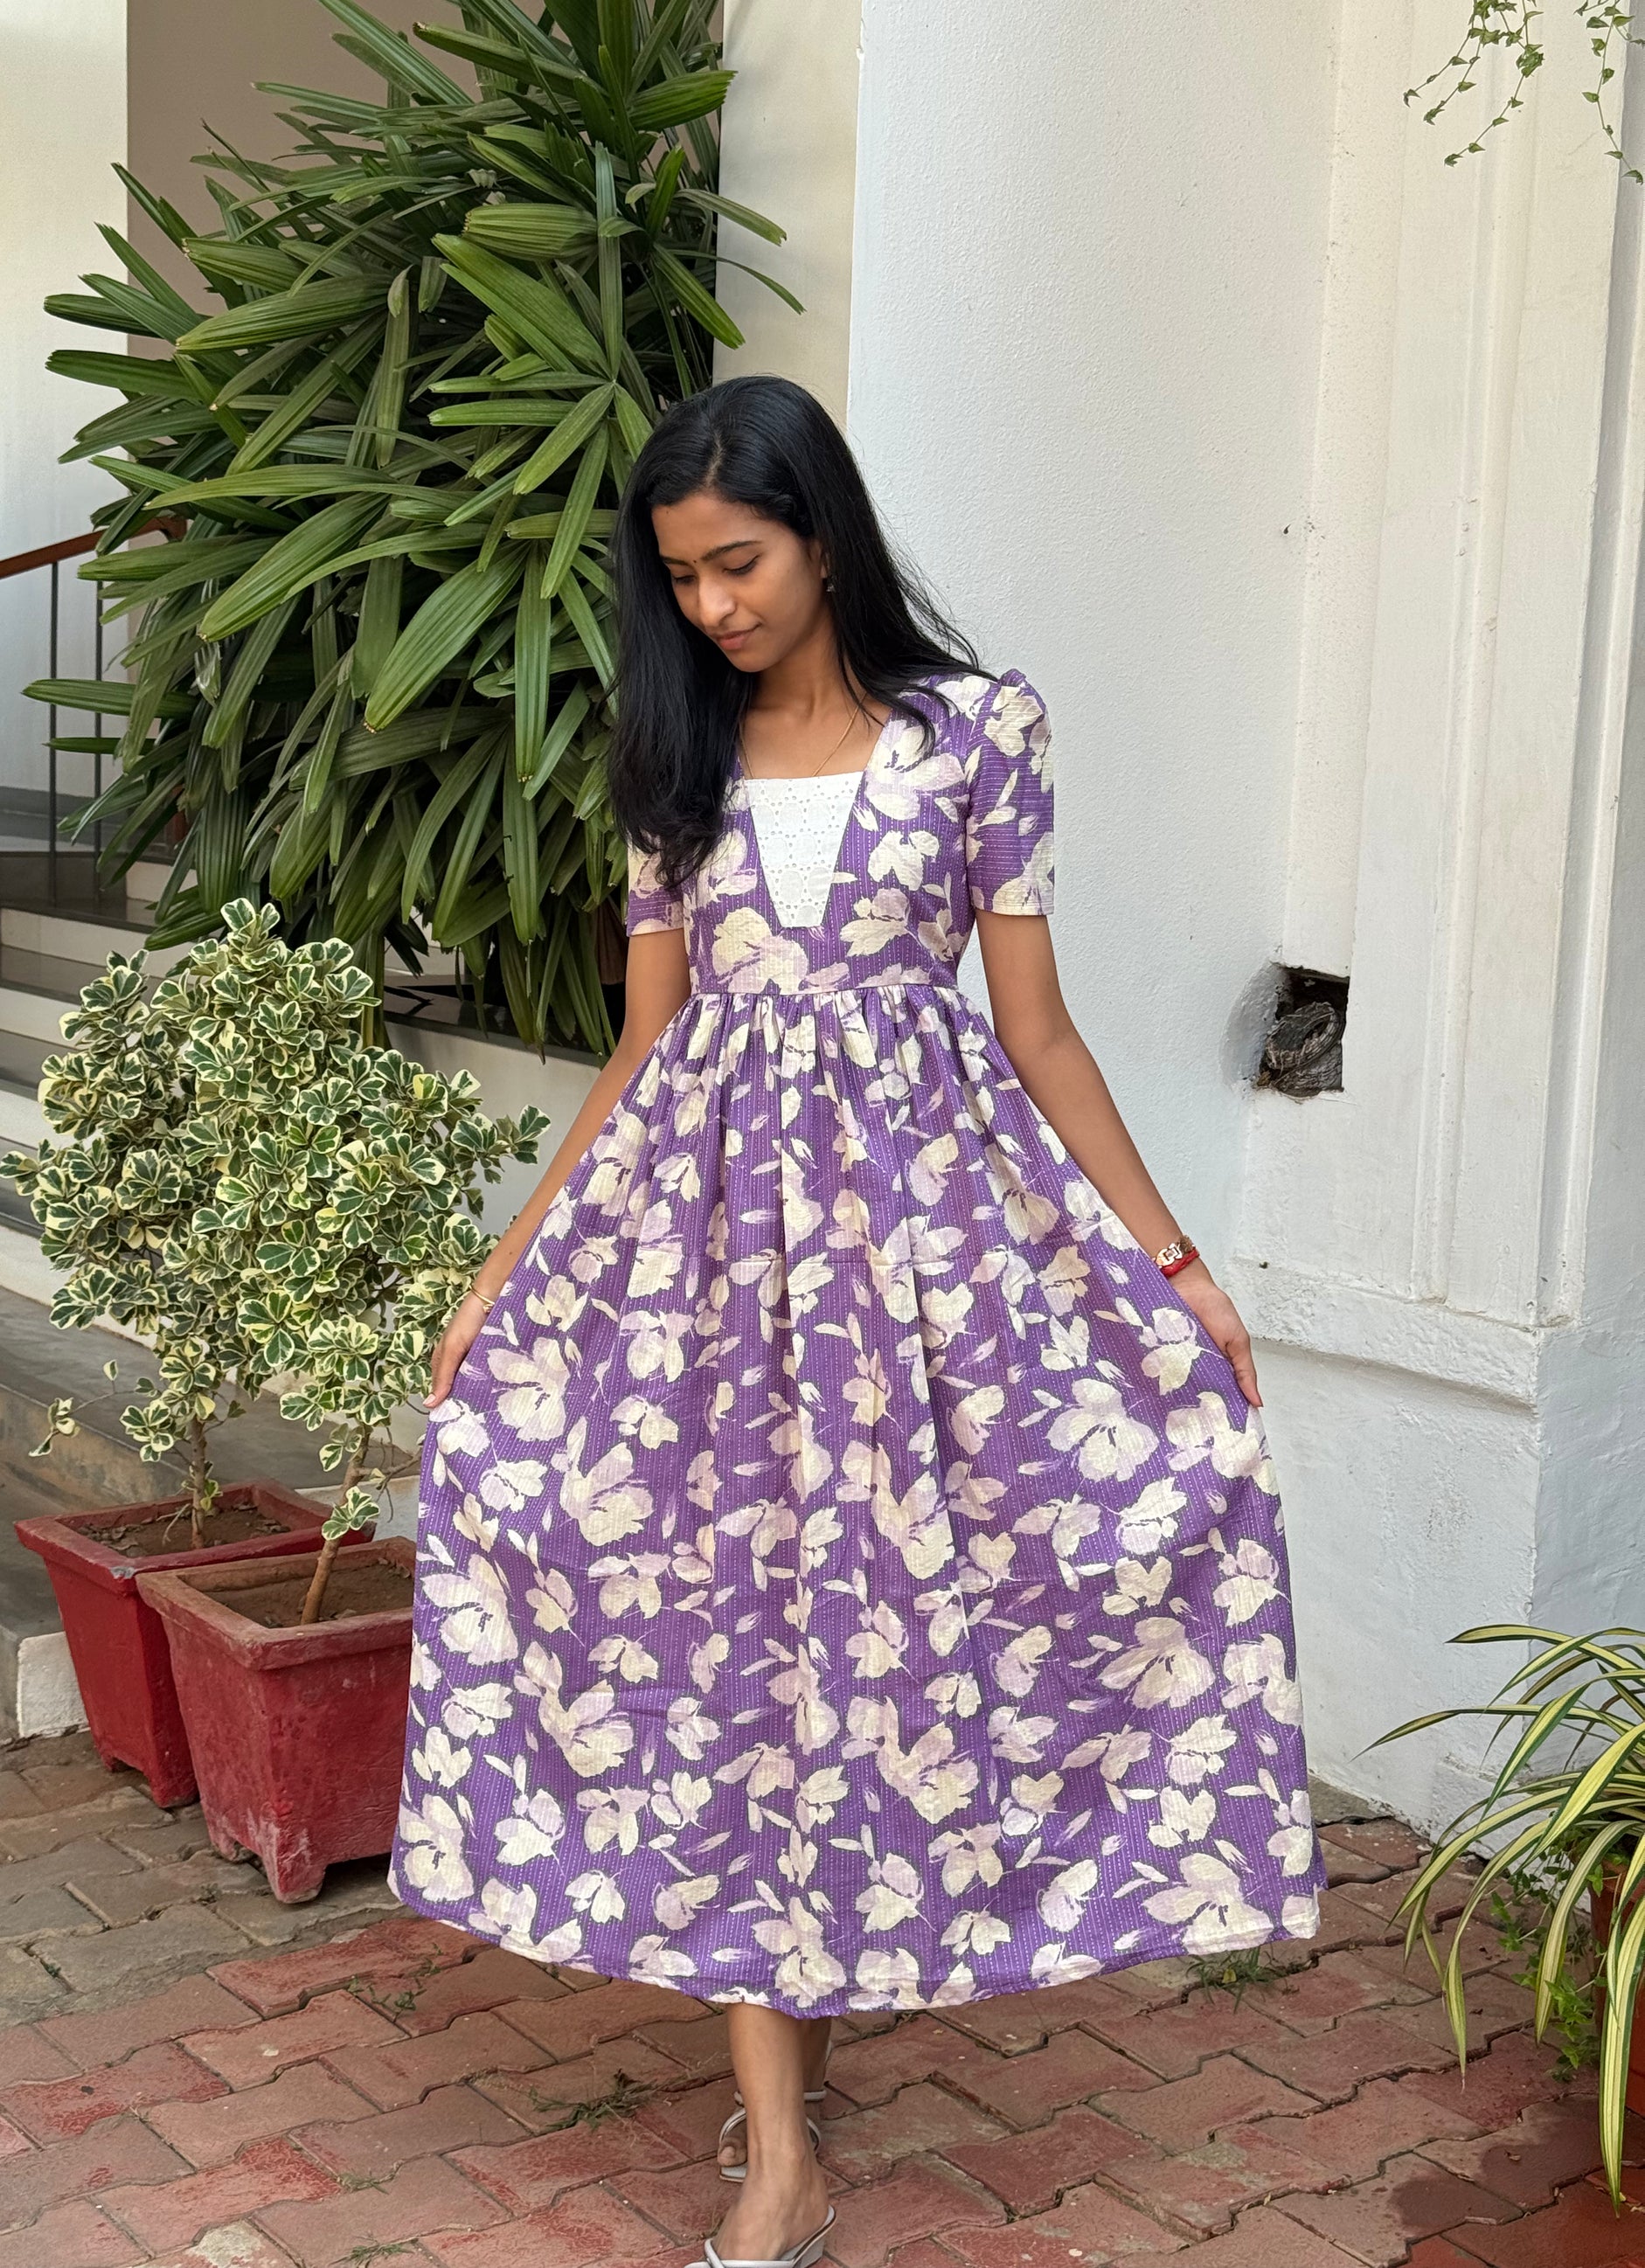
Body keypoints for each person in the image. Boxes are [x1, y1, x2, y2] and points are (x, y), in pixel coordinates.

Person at [392, 374, 1324, 2268]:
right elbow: (643, 1049)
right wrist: (506, 1267)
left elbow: (1034, 1032)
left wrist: (1172, 1268)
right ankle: (780, 2157)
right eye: (683, 577)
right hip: (707, 1270)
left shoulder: (977, 732)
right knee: (729, 1650)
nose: (713, 604)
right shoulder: (673, 759)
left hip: (923, 1274)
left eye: (738, 561)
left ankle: (834, 2005)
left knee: (899, 1631)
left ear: (822, 534)